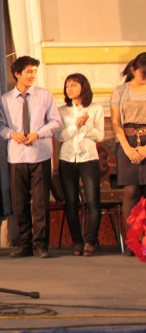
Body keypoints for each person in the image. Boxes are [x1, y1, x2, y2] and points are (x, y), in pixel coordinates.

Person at [0, 56, 62, 259]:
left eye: (34, 71)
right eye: (29, 71)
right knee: (20, 202)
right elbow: (0, 126)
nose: (33, 75)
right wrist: (11, 134)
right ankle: (24, 244)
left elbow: (56, 122)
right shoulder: (6, 99)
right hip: (16, 156)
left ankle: (41, 245)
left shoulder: (44, 95)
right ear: (17, 74)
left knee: (40, 202)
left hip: (40, 153)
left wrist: (38, 133)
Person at [55, 73, 103, 257]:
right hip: (67, 159)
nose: (70, 88)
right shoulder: (62, 110)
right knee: (71, 202)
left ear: (83, 87)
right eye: (67, 86)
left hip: (89, 158)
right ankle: (77, 241)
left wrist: (86, 126)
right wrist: (76, 125)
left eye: (74, 85)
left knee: (92, 201)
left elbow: (100, 135)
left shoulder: (95, 108)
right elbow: (59, 136)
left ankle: (90, 241)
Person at [110, 52, 146, 257]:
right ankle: (134, 241)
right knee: (131, 191)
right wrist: (127, 147)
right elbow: (116, 122)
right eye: (143, 73)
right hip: (127, 142)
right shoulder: (120, 91)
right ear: (133, 70)